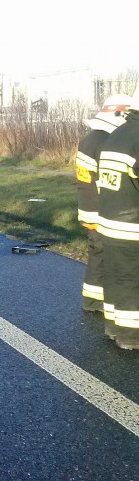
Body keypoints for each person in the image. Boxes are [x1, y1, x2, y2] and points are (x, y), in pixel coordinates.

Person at [75, 95, 131, 316]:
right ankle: (105, 303)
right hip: (103, 210)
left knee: (97, 254)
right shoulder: (106, 141)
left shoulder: (89, 139)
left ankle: (92, 300)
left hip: (88, 206)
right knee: (108, 256)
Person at [96, 90, 139, 349]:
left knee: (114, 276)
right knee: (131, 280)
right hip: (132, 225)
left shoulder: (117, 135)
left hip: (110, 221)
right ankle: (131, 336)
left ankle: (113, 326)